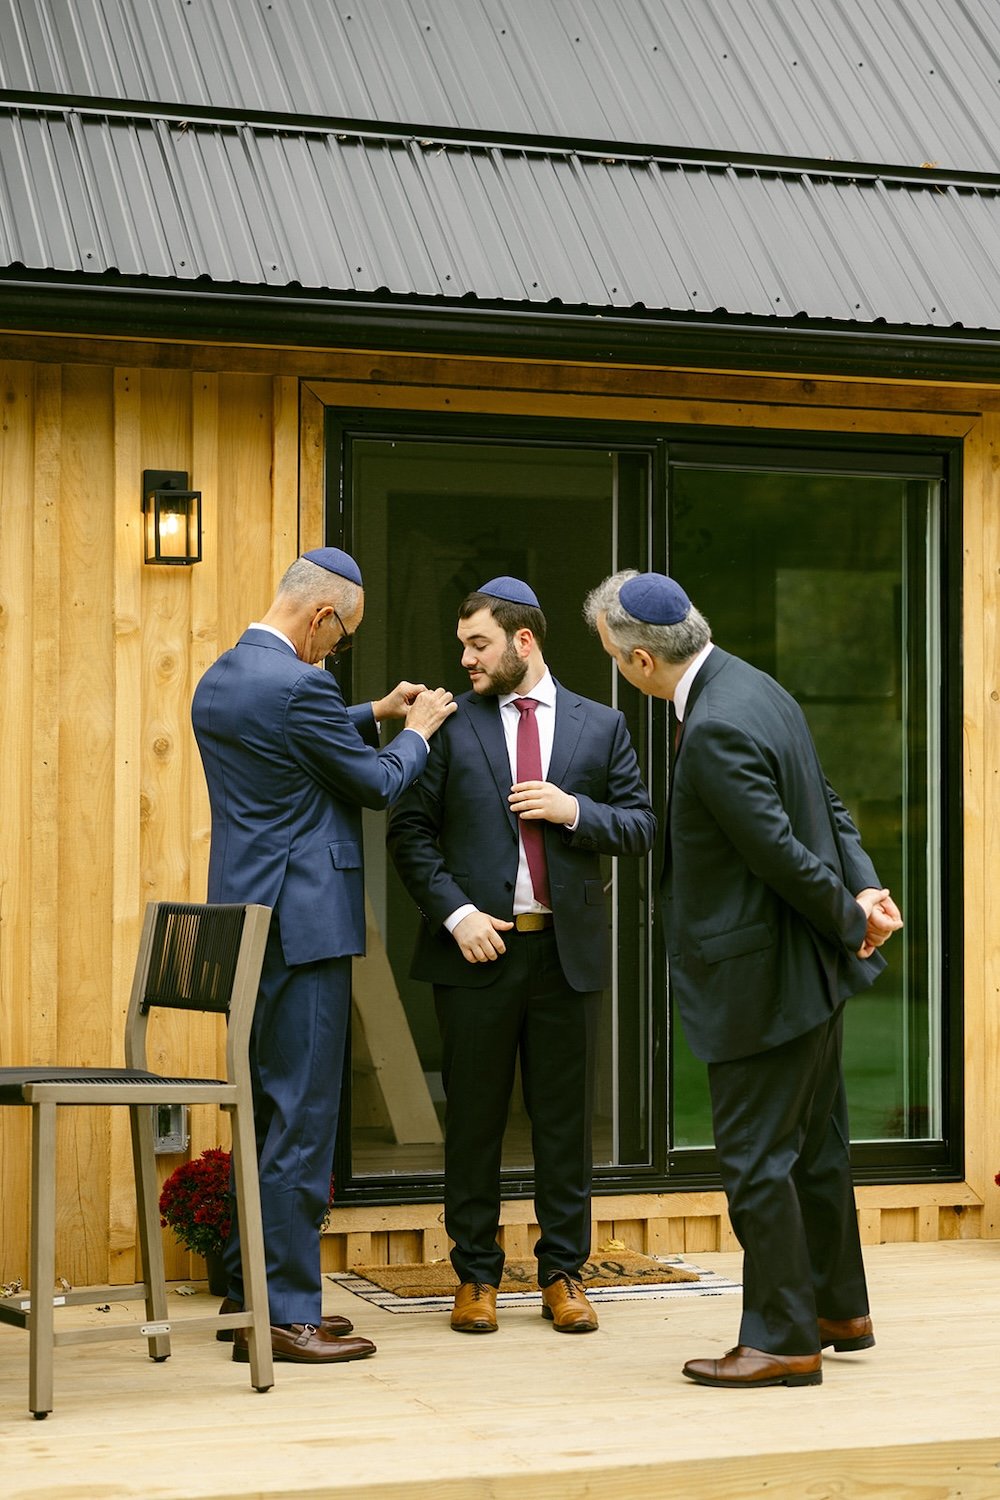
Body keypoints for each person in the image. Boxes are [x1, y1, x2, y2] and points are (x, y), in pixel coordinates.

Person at [584, 569, 903, 1390]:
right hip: (809, 974)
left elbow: (779, 854)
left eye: (615, 658)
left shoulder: (716, 724)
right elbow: (827, 802)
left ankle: (782, 1341)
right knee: (816, 1152)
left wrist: (853, 917)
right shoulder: (758, 686)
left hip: (764, 980)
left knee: (758, 1160)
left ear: (644, 660)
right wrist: (865, 886)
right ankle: (837, 1310)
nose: (620, 670)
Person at [191, 546, 455, 1366]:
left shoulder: (223, 677)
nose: (337, 651)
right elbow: (374, 785)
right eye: (342, 637)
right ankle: (286, 1316)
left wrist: (371, 709)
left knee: (264, 1114)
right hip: (305, 928)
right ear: (322, 616)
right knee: (302, 1121)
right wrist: (416, 731)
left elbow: (288, 737)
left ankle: (248, 1294)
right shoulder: (301, 686)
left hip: (247, 924)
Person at [387, 577, 655, 1336]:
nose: (466, 659)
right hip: (476, 954)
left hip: (564, 958)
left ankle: (563, 1275)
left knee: (564, 1127)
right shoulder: (448, 724)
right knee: (473, 1123)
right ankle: (475, 1276)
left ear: (523, 641)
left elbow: (640, 825)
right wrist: (457, 915)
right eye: (464, 645)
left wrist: (575, 811)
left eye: (479, 644)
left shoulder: (602, 726)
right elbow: (409, 833)